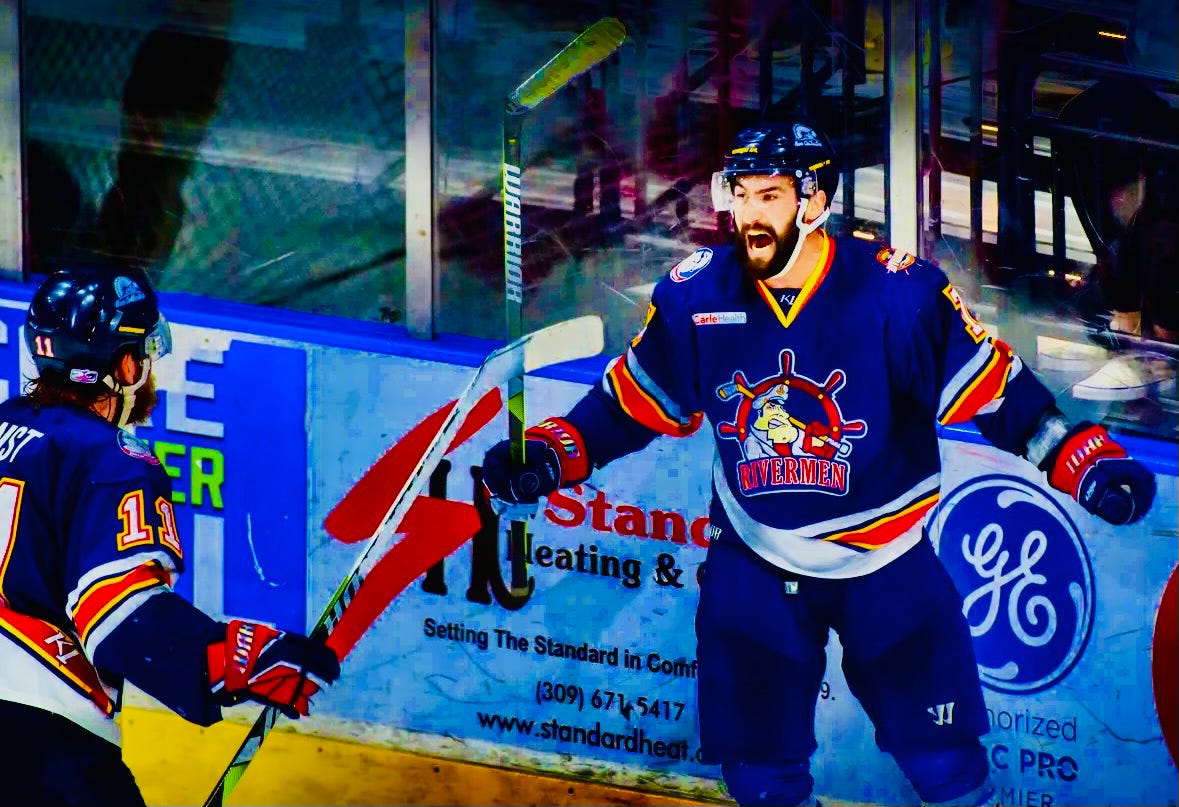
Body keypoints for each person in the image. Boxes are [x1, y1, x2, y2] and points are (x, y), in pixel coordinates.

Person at [481, 120, 1157, 807]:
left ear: (815, 202)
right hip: (755, 562)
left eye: (769, 195)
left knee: (946, 767)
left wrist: (1084, 461)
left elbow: (1001, 395)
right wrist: (550, 453)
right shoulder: (696, 297)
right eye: (740, 194)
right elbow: (629, 404)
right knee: (760, 780)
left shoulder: (898, 295)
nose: (749, 214)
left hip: (887, 565)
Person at [0, 267, 340, 806]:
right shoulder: (110, 461)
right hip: (36, 738)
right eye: (144, 355)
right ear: (124, 366)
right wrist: (236, 658)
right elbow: (118, 612)